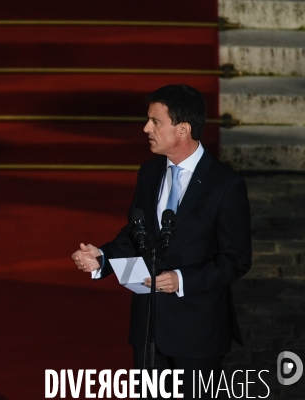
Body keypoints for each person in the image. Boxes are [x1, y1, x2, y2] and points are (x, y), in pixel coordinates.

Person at [72, 84, 251, 399]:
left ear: (183, 129)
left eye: (155, 121)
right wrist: (103, 257)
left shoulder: (226, 184)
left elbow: (236, 259)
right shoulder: (149, 172)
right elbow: (135, 233)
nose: (146, 128)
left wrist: (181, 280)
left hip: (198, 333)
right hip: (148, 329)